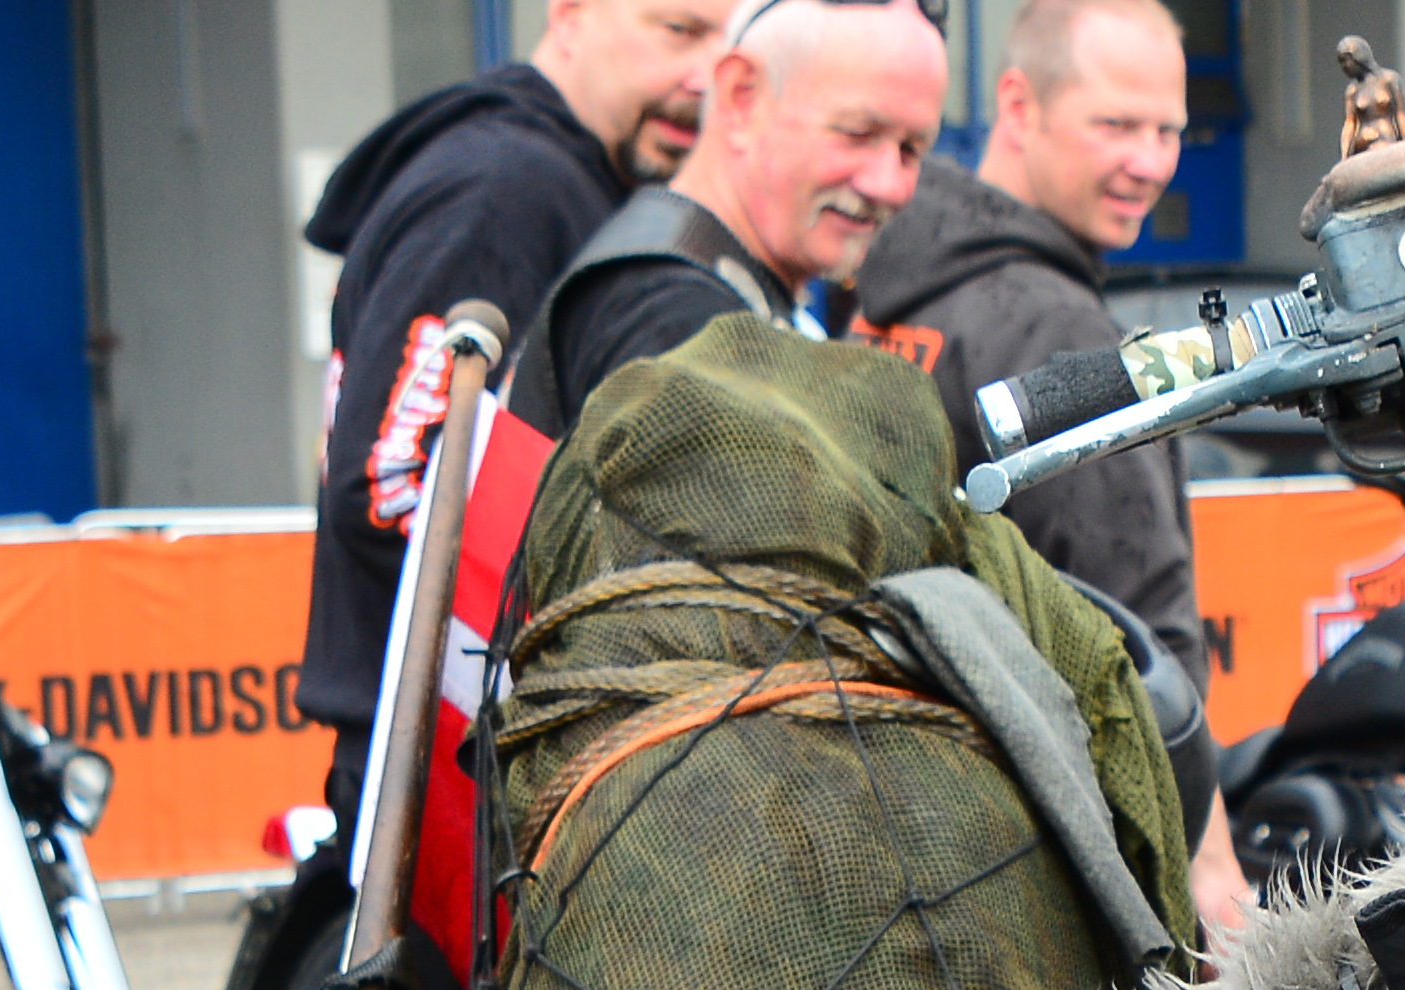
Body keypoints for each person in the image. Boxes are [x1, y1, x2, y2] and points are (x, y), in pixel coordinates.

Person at [263, 0, 736, 990]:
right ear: (567, 14)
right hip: (437, 784)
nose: (704, 74)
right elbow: (389, 489)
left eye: (726, 43)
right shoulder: (508, 187)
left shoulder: (559, 180)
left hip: (463, 765)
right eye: (677, 30)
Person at [849, 0, 1244, 923]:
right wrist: (1212, 879)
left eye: (1168, 131)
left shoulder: (877, 280)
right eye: (1115, 124)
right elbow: (1145, 652)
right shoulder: (1054, 328)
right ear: (1018, 107)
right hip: (1037, 856)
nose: (1148, 162)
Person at [512, 0, 949, 435]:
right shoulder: (675, 323)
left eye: (911, 150)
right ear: (742, 96)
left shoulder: (711, 295)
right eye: (857, 134)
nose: (889, 185)